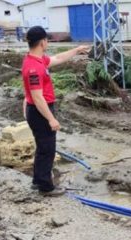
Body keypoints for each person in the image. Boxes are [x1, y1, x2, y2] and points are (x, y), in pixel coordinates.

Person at [22, 26, 90, 197]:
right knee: (47, 149)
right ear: (42, 42)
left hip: (37, 110)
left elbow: (58, 58)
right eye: (47, 40)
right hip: (40, 111)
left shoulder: (37, 60)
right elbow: (37, 98)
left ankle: (38, 180)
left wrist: (76, 50)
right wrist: (51, 119)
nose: (47, 43)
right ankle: (46, 187)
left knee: (43, 147)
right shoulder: (33, 68)